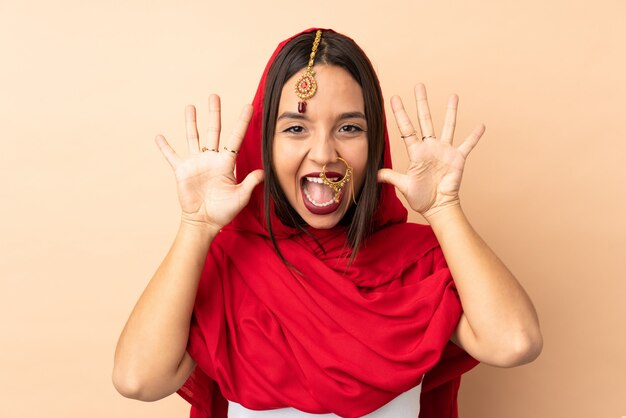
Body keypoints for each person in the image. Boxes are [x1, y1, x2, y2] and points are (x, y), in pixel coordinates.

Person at [113, 28, 543, 418]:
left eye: (350, 128)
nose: (323, 153)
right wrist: (196, 225)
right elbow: (138, 379)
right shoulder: (225, 264)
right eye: (296, 127)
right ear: (266, 144)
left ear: (375, 144)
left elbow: (514, 342)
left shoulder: (422, 261)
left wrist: (445, 207)